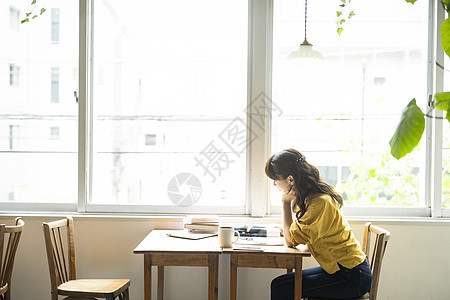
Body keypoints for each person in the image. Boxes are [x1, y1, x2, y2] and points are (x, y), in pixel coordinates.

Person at [265, 148, 372, 300]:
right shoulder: (312, 198)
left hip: (352, 277)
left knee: (281, 288)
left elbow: (290, 241)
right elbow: (296, 235)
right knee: (279, 285)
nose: (274, 184)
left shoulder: (319, 203)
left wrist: (285, 202)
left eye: (275, 179)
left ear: (290, 179)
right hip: (342, 270)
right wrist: (289, 230)